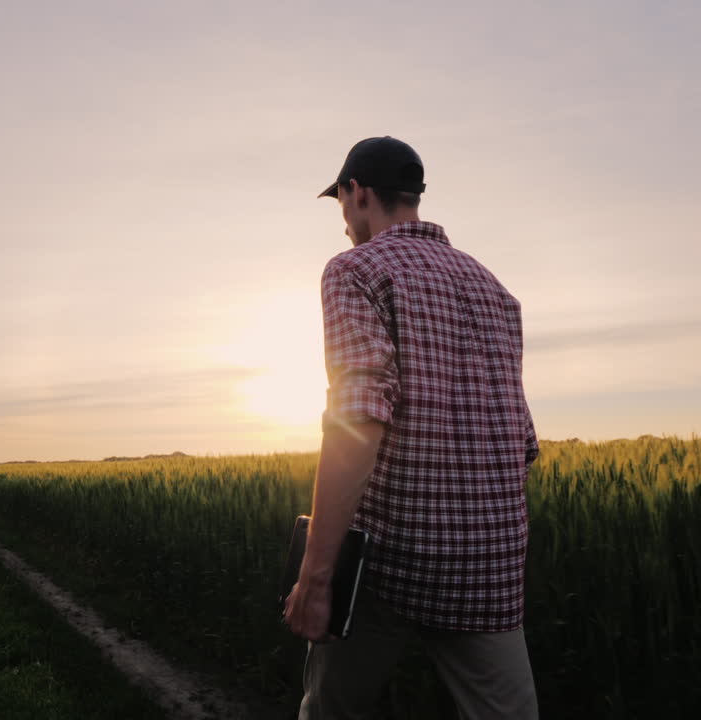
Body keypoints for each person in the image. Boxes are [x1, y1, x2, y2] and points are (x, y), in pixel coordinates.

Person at [282, 136, 540, 719]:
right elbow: (520, 442)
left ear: (359, 192)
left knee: (330, 711)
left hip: (388, 562)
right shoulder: (496, 290)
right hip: (489, 562)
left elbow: (358, 418)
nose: (345, 224)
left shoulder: (356, 270)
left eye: (342, 205)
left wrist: (317, 575)